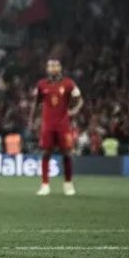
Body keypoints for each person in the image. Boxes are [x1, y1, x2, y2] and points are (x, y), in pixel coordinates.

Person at [29, 57, 83, 196]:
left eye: (56, 66)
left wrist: (74, 110)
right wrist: (31, 120)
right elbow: (36, 103)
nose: (53, 68)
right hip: (47, 125)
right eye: (50, 66)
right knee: (46, 153)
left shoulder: (69, 83)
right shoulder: (41, 84)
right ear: (47, 69)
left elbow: (80, 100)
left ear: (60, 68)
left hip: (63, 125)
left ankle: (68, 184)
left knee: (67, 154)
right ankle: (45, 185)